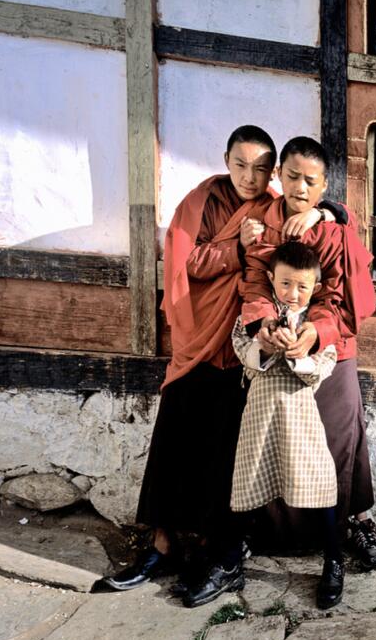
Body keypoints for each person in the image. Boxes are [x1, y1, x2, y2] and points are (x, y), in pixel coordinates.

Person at [102, 125, 336, 593]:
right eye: (240, 165)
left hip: (246, 346)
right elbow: (187, 261)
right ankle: (161, 543)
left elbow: (322, 223)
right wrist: (237, 247)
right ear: (225, 160)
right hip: (198, 339)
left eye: (260, 168)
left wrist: (326, 211)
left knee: (224, 452)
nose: (249, 177)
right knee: (173, 434)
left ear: (273, 172)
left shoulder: (276, 208)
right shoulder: (202, 202)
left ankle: (215, 551)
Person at [239, 136, 376, 577]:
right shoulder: (259, 223)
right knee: (274, 438)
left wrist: (314, 334)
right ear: (279, 175)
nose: (300, 188)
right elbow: (254, 285)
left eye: (311, 181)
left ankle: (354, 527)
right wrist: (265, 325)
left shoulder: (332, 226)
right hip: (277, 348)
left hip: (331, 348)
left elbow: (337, 297)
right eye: (292, 177)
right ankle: (265, 532)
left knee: (340, 440)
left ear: (324, 186)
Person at [228, 242, 344, 608]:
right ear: (271, 280)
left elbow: (324, 366)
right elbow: (240, 351)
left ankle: (334, 560)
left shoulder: (317, 324)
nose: (293, 294)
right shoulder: (255, 315)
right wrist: (263, 345)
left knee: (320, 484)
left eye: (302, 287)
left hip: (301, 416)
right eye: (285, 284)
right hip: (260, 413)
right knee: (247, 483)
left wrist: (299, 354)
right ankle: (230, 558)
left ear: (316, 288)